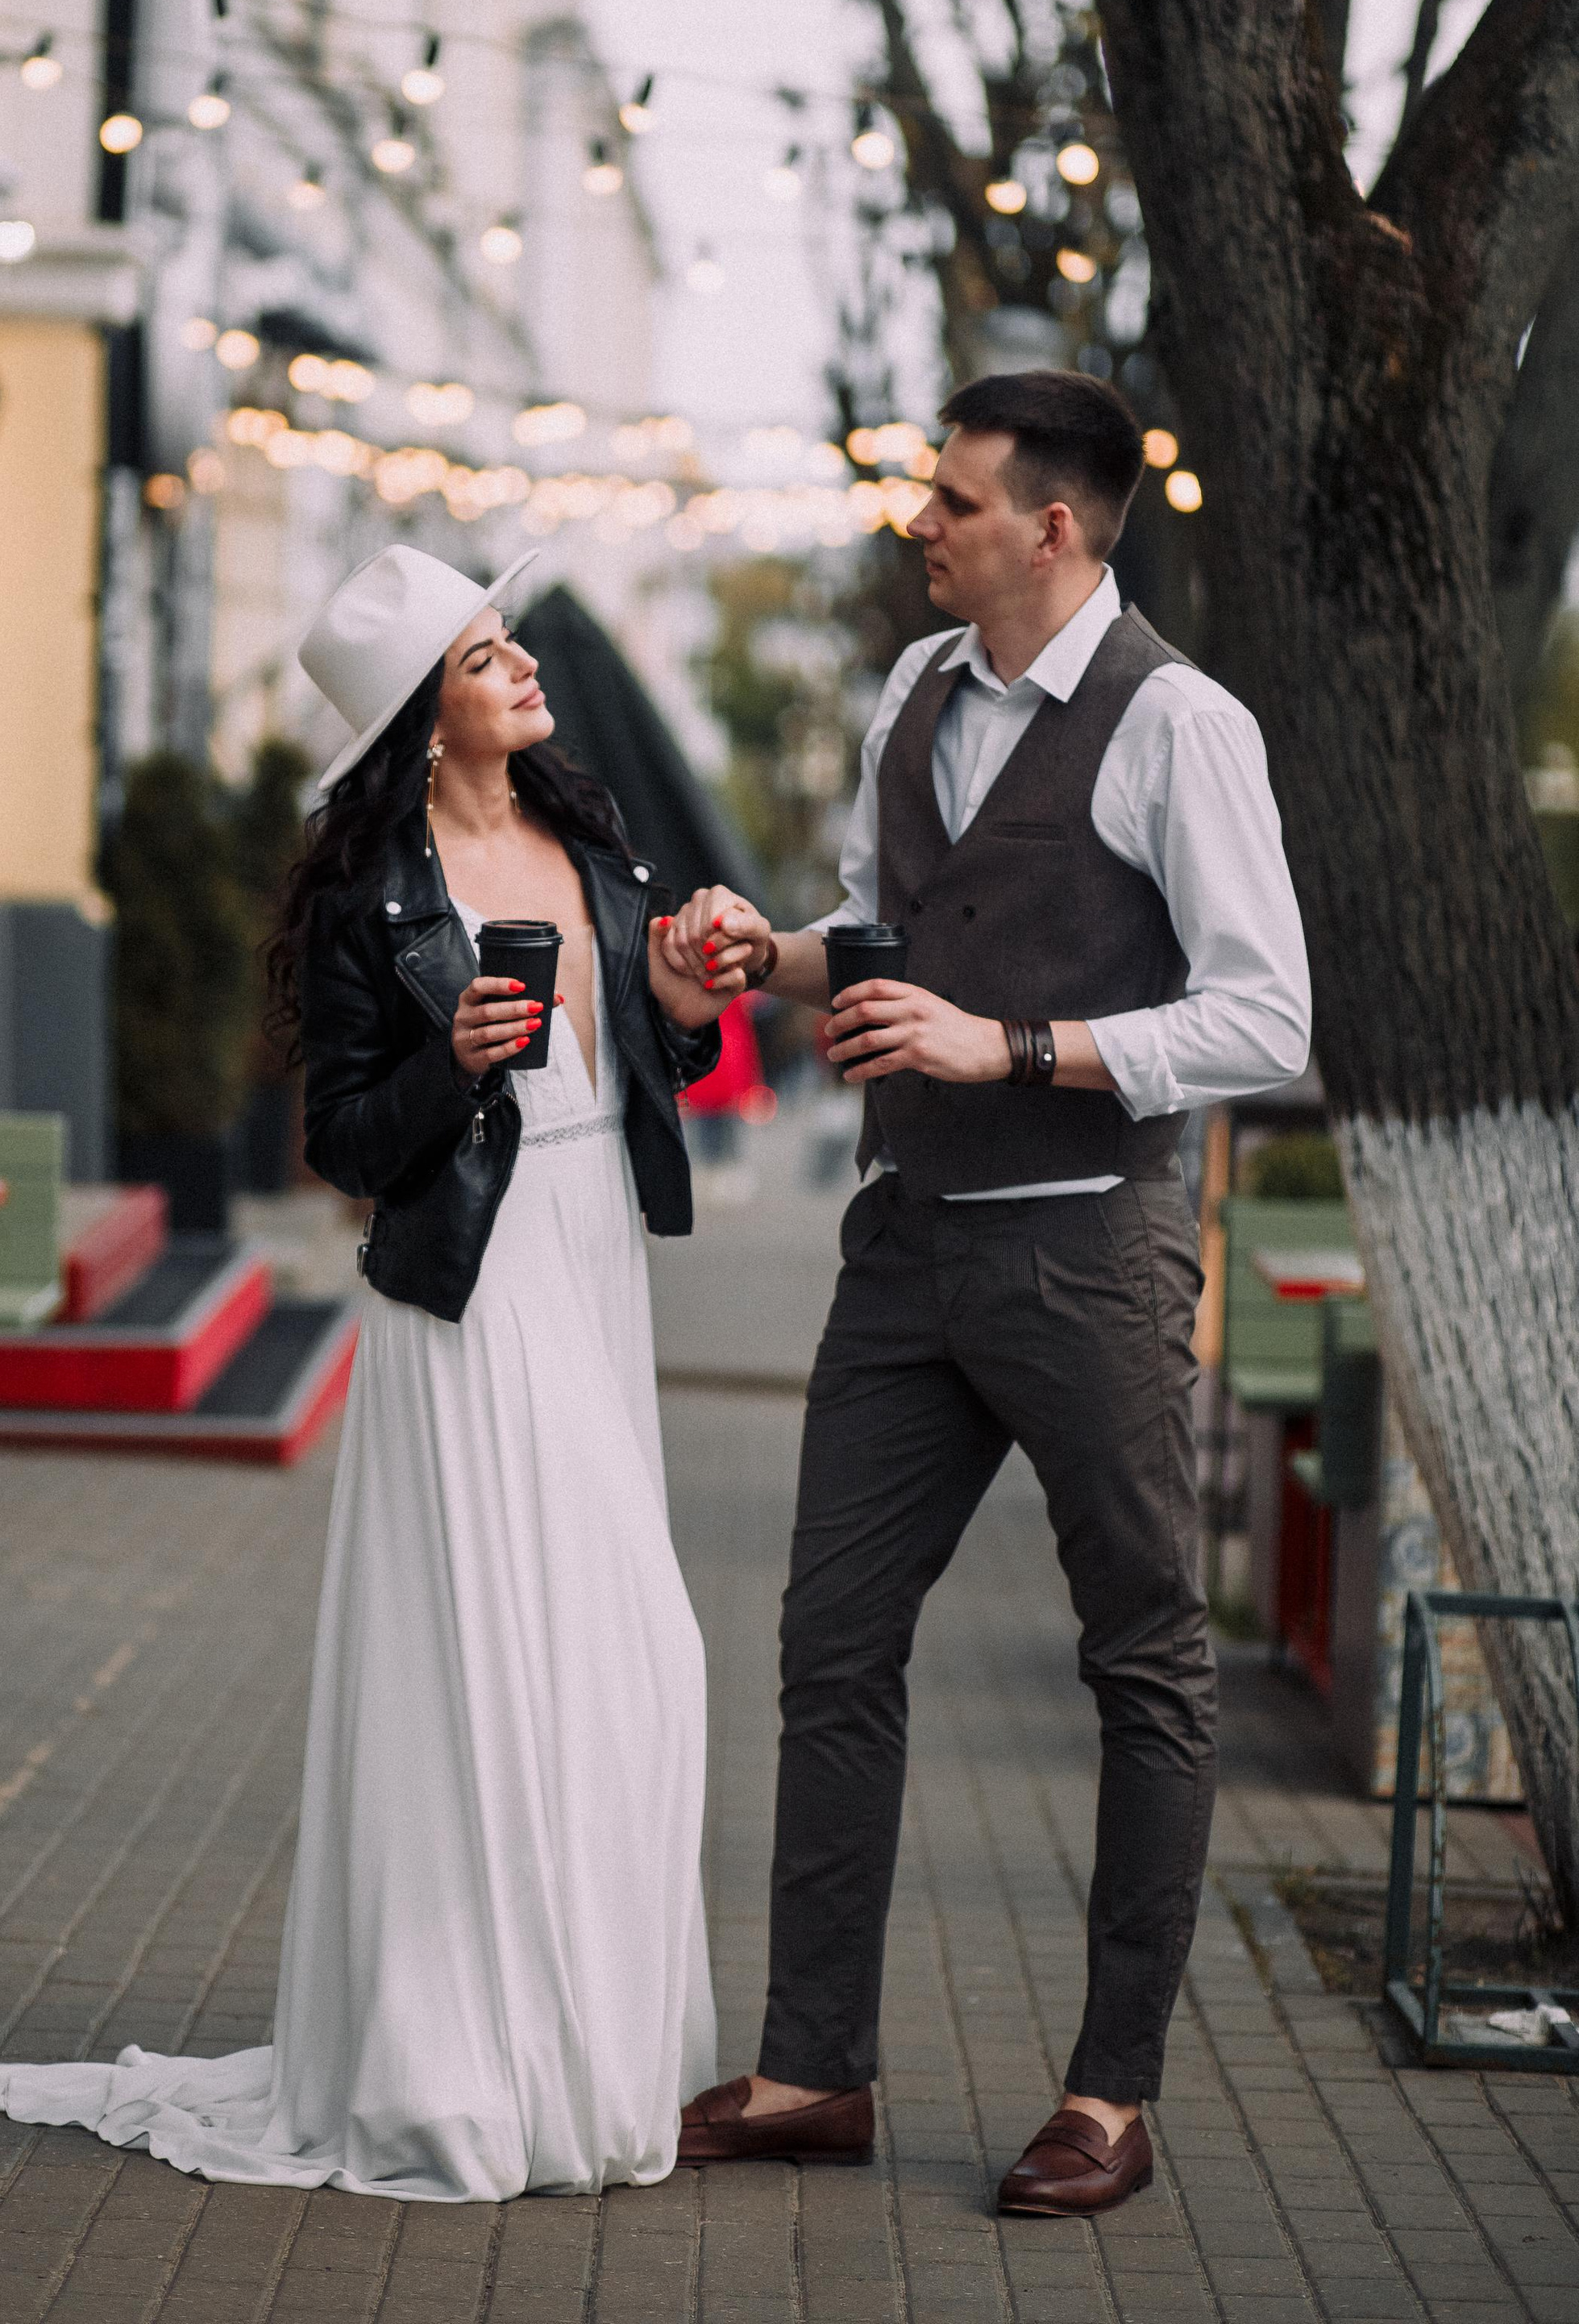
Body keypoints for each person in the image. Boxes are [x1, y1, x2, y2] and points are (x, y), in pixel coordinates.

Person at [0, 544, 746, 2201]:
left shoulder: (584, 838)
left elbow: (637, 1064)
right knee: (503, 1663)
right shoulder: (377, 897)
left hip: (588, 1262)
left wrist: (673, 1001)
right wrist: (449, 1069)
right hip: (463, 1292)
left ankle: (586, 2047)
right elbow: (338, 1145)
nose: (520, 668)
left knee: (628, 1664)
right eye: (479, 656)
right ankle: (459, 2066)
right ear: (419, 720)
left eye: (508, 642)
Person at [663, 371, 1311, 2214]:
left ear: (1051, 525)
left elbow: (1263, 1017)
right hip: (902, 1242)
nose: (918, 523)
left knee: (1142, 1664)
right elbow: (884, 942)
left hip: (1088, 1248)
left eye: (948, 499)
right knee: (829, 1647)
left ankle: (1108, 2097)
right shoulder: (913, 691)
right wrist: (756, 956)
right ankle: (812, 2070)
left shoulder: (1176, 724)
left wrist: (1008, 1043)